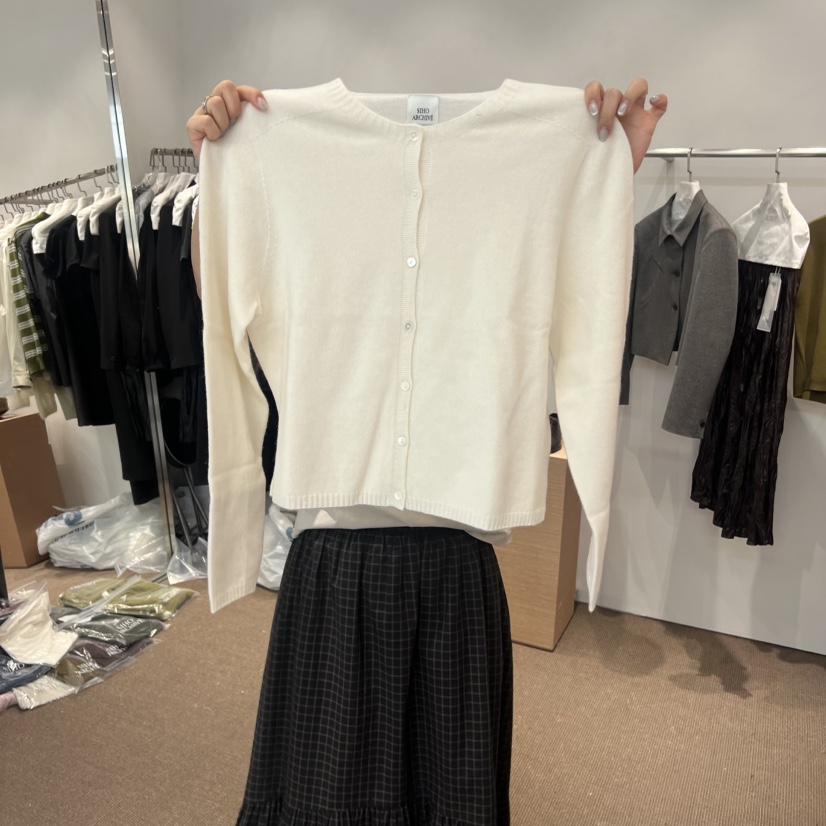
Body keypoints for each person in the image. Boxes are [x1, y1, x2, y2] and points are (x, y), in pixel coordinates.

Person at [187, 77, 666, 826]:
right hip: (335, 564)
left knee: (452, 801)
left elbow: (592, 330)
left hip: (457, 572)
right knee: (323, 802)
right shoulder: (276, 144)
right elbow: (222, 312)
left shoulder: (544, 154)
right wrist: (220, 171)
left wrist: (603, 172)